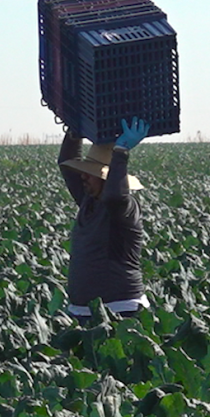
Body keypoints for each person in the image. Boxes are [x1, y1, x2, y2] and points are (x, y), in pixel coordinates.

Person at [58, 117, 151, 324]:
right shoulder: (88, 201)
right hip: (83, 311)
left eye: (90, 174)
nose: (83, 177)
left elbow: (115, 195)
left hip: (121, 311)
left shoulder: (122, 208)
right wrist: (74, 133)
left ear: (107, 178)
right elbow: (65, 166)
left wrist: (120, 153)